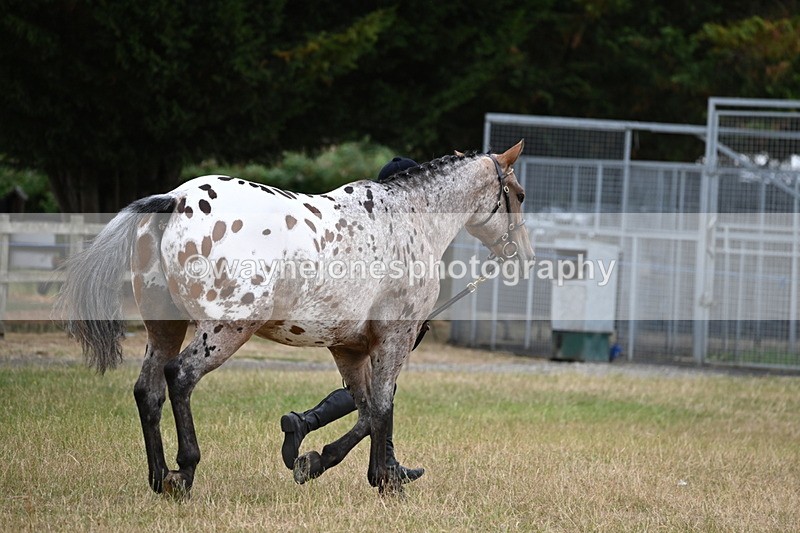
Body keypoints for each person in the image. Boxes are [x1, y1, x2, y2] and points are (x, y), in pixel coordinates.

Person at [280, 156, 425, 484]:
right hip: (359, 327)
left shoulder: (374, 230)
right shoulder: (395, 237)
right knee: (378, 390)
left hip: (350, 320)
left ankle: (385, 461)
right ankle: (308, 425)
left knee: (381, 389)